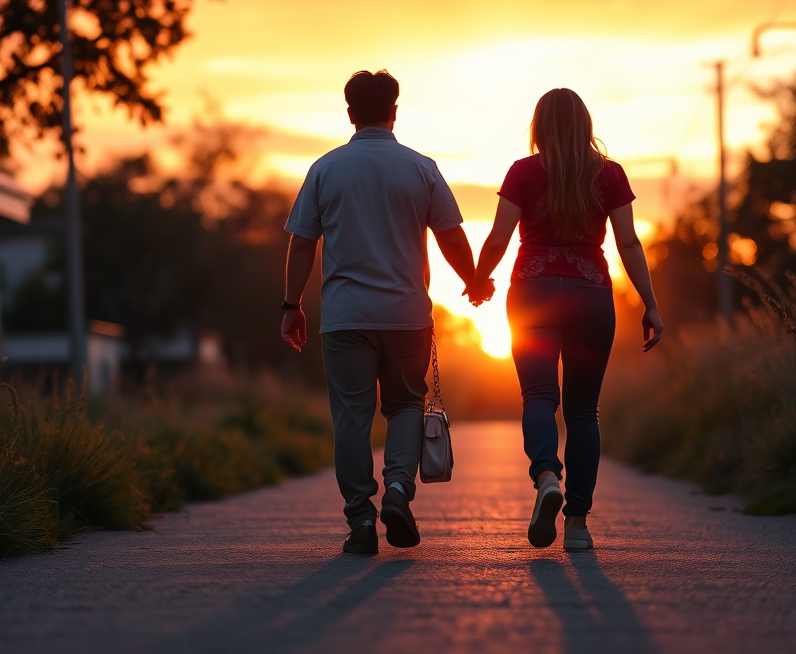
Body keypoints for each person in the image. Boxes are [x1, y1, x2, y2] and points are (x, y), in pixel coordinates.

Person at [281, 70, 483, 555]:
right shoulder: (420, 168)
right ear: (395, 112)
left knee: (352, 417)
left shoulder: (325, 169)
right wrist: (473, 281)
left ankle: (361, 521)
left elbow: (302, 242)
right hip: (407, 316)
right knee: (406, 405)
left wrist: (291, 305)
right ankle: (397, 491)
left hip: (346, 318)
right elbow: (451, 234)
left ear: (349, 114)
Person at [469, 87, 663, 552]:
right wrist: (651, 305)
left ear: (540, 126)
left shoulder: (523, 171)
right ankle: (576, 523)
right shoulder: (610, 175)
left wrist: (478, 279)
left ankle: (546, 478)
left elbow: (499, 236)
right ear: (585, 125)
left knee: (538, 395)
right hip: (591, 295)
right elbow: (629, 243)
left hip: (533, 293)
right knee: (582, 412)